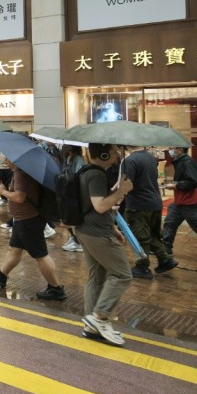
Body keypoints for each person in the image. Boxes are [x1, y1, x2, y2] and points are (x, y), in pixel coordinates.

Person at [75, 142, 134, 346]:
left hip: (88, 230)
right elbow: (100, 206)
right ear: (103, 154)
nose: (117, 154)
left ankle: (91, 326)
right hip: (96, 234)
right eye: (113, 151)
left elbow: (94, 206)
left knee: (97, 277)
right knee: (122, 274)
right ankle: (99, 316)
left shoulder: (88, 172)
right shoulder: (96, 174)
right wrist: (122, 191)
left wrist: (113, 227)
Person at [0, 160, 67, 300]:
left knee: (41, 256)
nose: (4, 160)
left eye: (7, 157)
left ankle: (56, 288)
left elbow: (19, 197)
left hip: (28, 221)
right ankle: (1, 275)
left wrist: (2, 191)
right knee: (14, 249)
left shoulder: (22, 174)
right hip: (23, 219)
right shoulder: (20, 172)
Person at [122, 148, 177, 279]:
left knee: (141, 235)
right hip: (155, 201)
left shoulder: (130, 161)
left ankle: (142, 266)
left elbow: (127, 184)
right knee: (154, 234)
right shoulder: (150, 157)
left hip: (139, 204)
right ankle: (165, 259)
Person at [162, 146, 197, 264]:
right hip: (180, 202)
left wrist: (176, 185)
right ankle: (166, 250)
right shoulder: (181, 161)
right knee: (170, 223)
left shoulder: (187, 162)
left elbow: (193, 181)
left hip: (190, 203)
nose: (170, 151)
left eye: (172, 148)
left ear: (180, 150)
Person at [61, 145, 86, 253]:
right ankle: (73, 238)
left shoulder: (78, 160)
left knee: (72, 216)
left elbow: (78, 175)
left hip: (74, 191)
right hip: (67, 189)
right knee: (66, 216)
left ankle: (78, 241)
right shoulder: (69, 158)